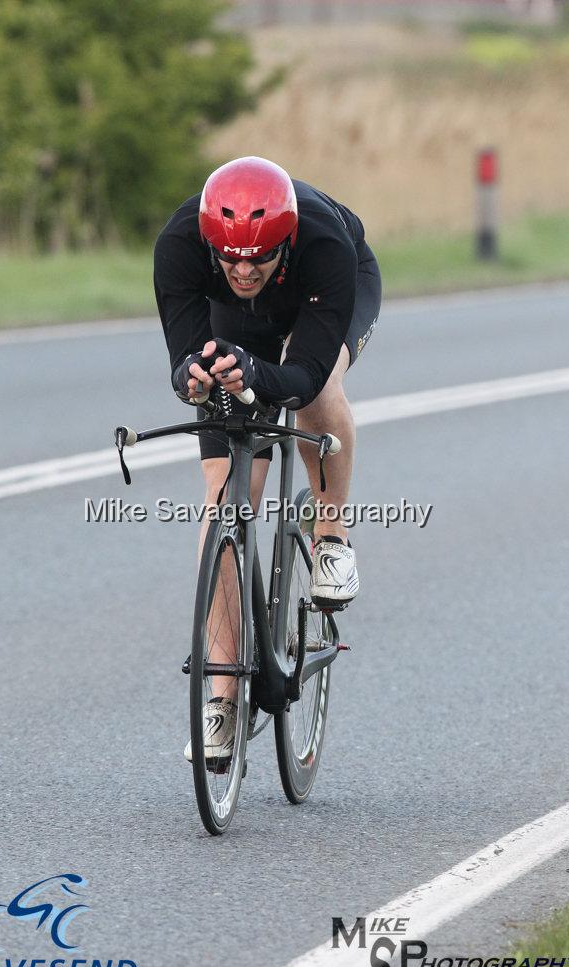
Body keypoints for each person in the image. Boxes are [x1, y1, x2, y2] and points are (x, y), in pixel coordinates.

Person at [153, 156, 381, 762]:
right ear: (210, 243)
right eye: (230, 257)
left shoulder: (322, 243)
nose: (244, 268)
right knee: (225, 499)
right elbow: (182, 356)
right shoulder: (180, 245)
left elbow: (302, 378)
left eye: (258, 256)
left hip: (324, 292)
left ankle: (330, 534)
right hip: (239, 326)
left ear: (282, 241)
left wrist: (259, 373)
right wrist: (197, 377)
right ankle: (222, 694)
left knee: (323, 389)